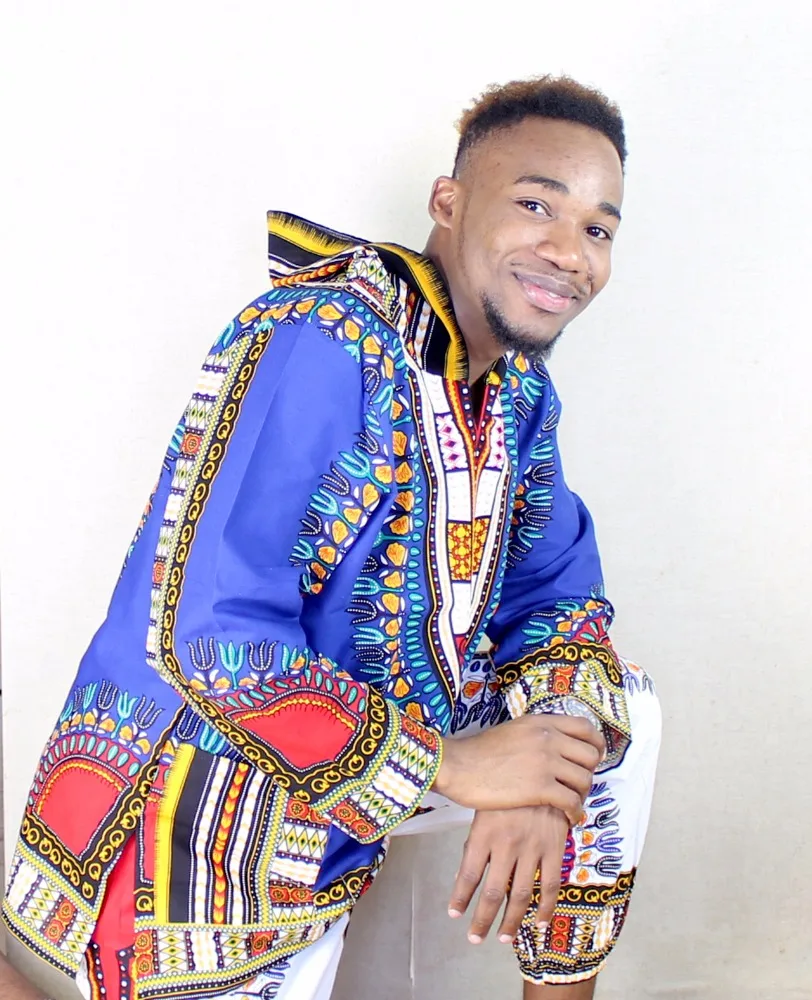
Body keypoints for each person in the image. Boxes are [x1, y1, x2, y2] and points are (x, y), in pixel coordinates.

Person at [2, 76, 661, 1000]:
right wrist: (460, 766)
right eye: (535, 205)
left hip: (385, 743)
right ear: (448, 201)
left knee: (614, 712)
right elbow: (211, 637)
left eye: (598, 228)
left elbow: (556, 594)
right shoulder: (319, 338)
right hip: (209, 789)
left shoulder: (517, 394)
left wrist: (543, 778)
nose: (568, 251)